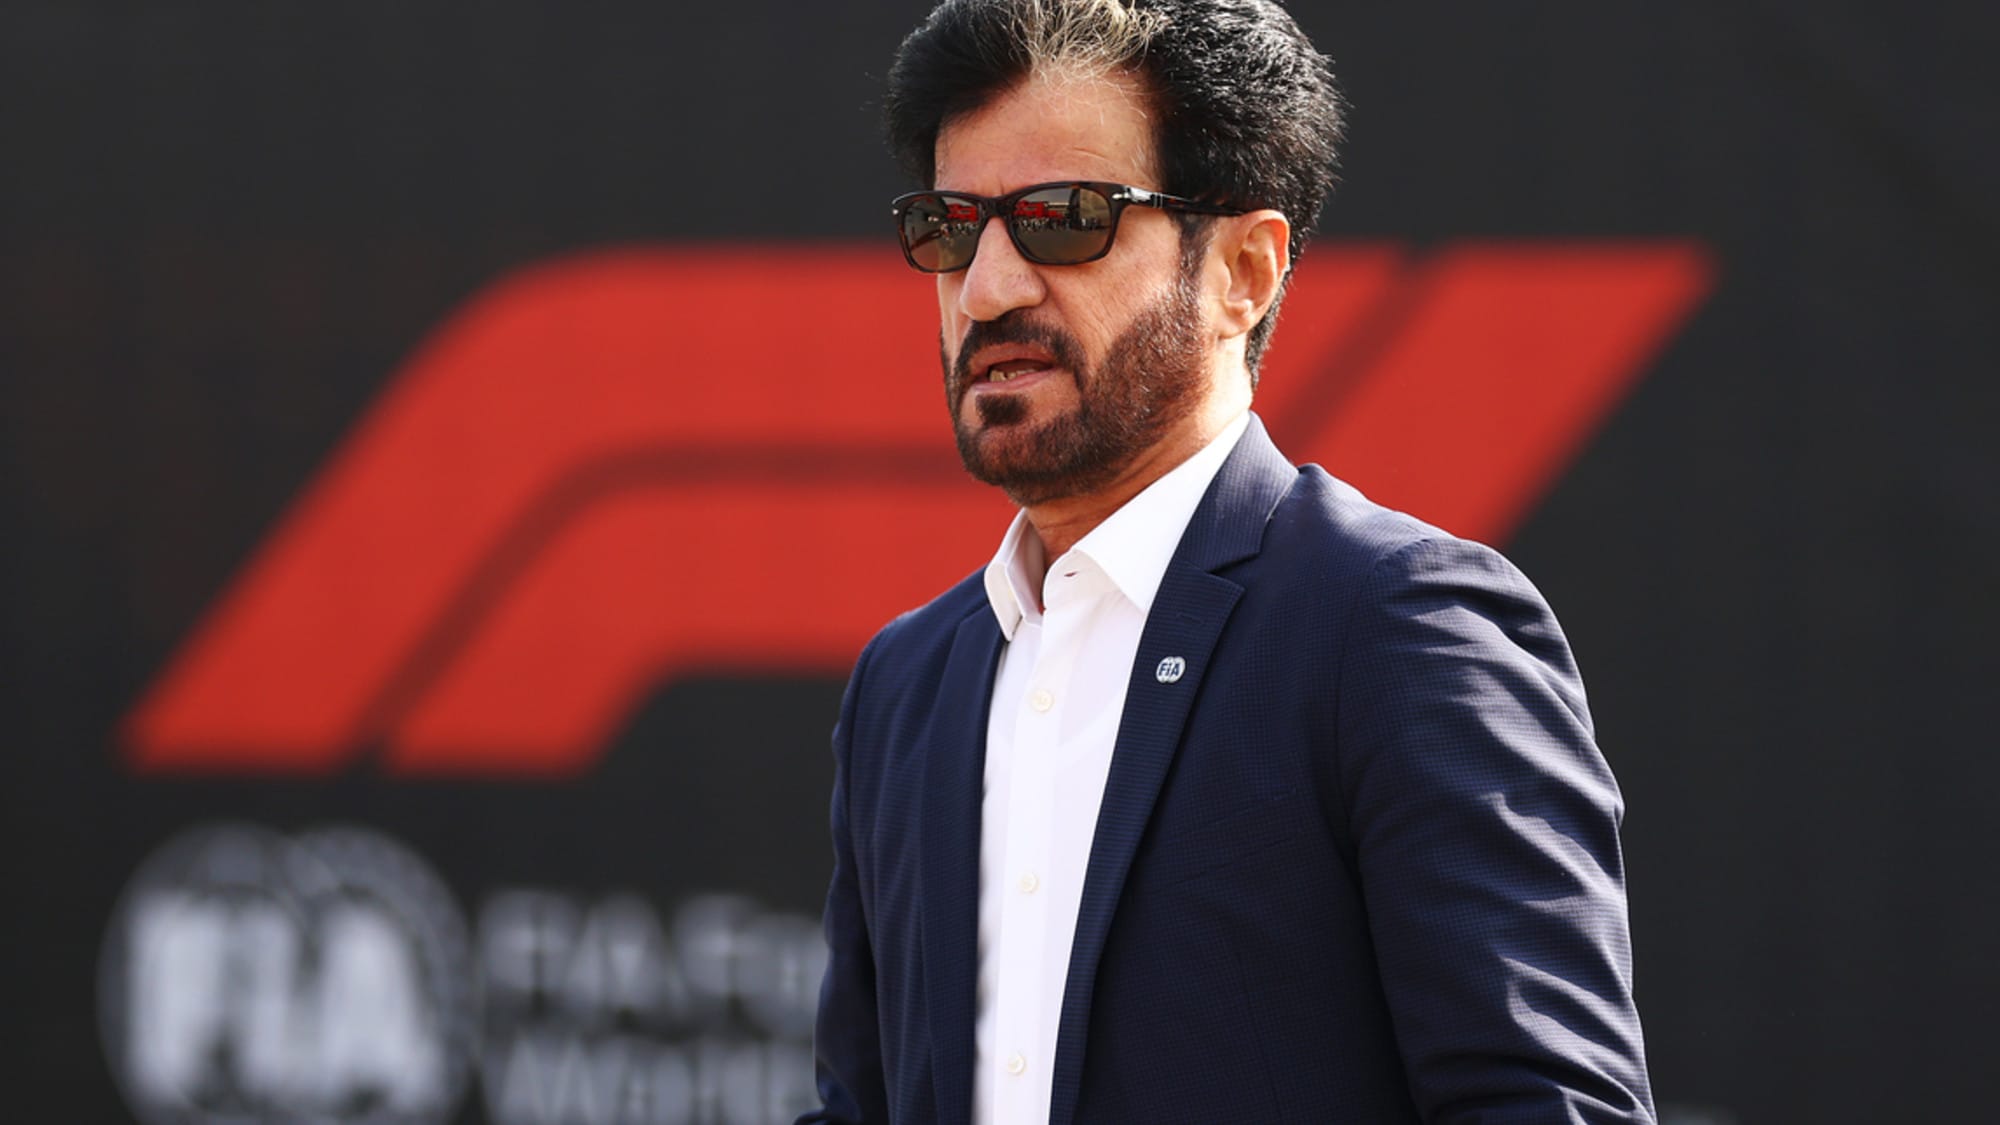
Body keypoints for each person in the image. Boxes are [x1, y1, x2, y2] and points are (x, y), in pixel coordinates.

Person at [800, 1, 1654, 1121]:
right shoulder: (907, 683)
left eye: (1065, 219)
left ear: (1243, 271)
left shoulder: (1400, 630)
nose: (987, 288)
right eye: (951, 228)